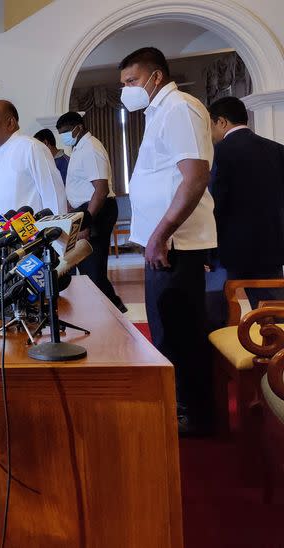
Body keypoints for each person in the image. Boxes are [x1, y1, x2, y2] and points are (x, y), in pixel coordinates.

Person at [119, 47, 216, 435]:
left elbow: (194, 177)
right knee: (165, 331)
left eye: (131, 82)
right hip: (163, 244)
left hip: (175, 246)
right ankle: (180, 406)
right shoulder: (160, 112)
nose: (126, 91)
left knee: (181, 333)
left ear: (155, 77)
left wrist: (160, 236)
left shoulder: (179, 108)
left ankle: (194, 415)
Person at [209, 96, 284, 311]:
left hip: (228, 246)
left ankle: (226, 343)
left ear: (221, 122)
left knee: (219, 309)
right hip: (271, 243)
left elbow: (215, 202)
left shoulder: (218, 153)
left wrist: (208, 251)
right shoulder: (277, 150)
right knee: (274, 311)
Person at [55, 112, 127, 313]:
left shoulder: (91, 148)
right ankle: (109, 307)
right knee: (86, 267)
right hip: (85, 210)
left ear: (78, 127)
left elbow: (101, 189)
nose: (64, 137)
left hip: (96, 210)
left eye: (66, 132)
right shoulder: (79, 148)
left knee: (92, 268)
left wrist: (86, 222)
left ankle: (114, 309)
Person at [0, 100, 67, 237]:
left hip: (28, 241)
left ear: (10, 122)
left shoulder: (31, 147)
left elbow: (54, 197)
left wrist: (55, 241)